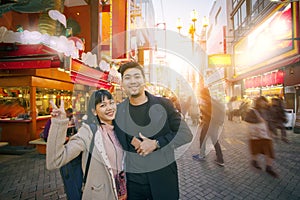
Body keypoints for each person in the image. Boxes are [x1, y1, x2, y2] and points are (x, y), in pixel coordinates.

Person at [114, 61, 193, 200]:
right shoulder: (118, 111)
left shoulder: (164, 104)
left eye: (137, 76)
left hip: (162, 181)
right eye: (127, 77)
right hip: (133, 184)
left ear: (144, 80)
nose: (132, 81)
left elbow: (185, 134)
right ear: (122, 83)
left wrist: (156, 144)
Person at [46, 89, 126, 199]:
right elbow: (54, 161)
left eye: (111, 103)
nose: (109, 108)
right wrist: (59, 123)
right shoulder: (88, 132)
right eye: (103, 105)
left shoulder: (121, 129)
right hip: (101, 195)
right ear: (94, 111)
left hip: (124, 192)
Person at [244, 96, 278, 178]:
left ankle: (268, 167)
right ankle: (254, 161)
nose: (263, 103)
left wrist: (272, 131)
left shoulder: (268, 110)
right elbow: (246, 118)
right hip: (256, 134)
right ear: (258, 102)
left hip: (266, 134)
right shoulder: (253, 111)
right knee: (255, 149)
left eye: (264, 101)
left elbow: (271, 121)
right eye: (261, 101)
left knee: (269, 150)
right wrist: (258, 120)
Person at [192, 87, 225, 167]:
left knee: (202, 139)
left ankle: (202, 155)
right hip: (214, 124)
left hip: (209, 124)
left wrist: (203, 118)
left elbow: (205, 112)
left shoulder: (206, 101)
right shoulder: (213, 100)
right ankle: (220, 159)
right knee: (214, 141)